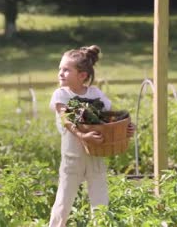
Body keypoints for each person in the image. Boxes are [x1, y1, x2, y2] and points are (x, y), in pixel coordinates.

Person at [48, 45, 135, 226]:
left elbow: (112, 119)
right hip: (72, 156)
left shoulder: (96, 94)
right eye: (60, 69)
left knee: (100, 200)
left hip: (96, 152)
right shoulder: (61, 94)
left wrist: (126, 128)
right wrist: (82, 136)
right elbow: (66, 119)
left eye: (66, 70)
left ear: (82, 76)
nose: (60, 73)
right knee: (64, 199)